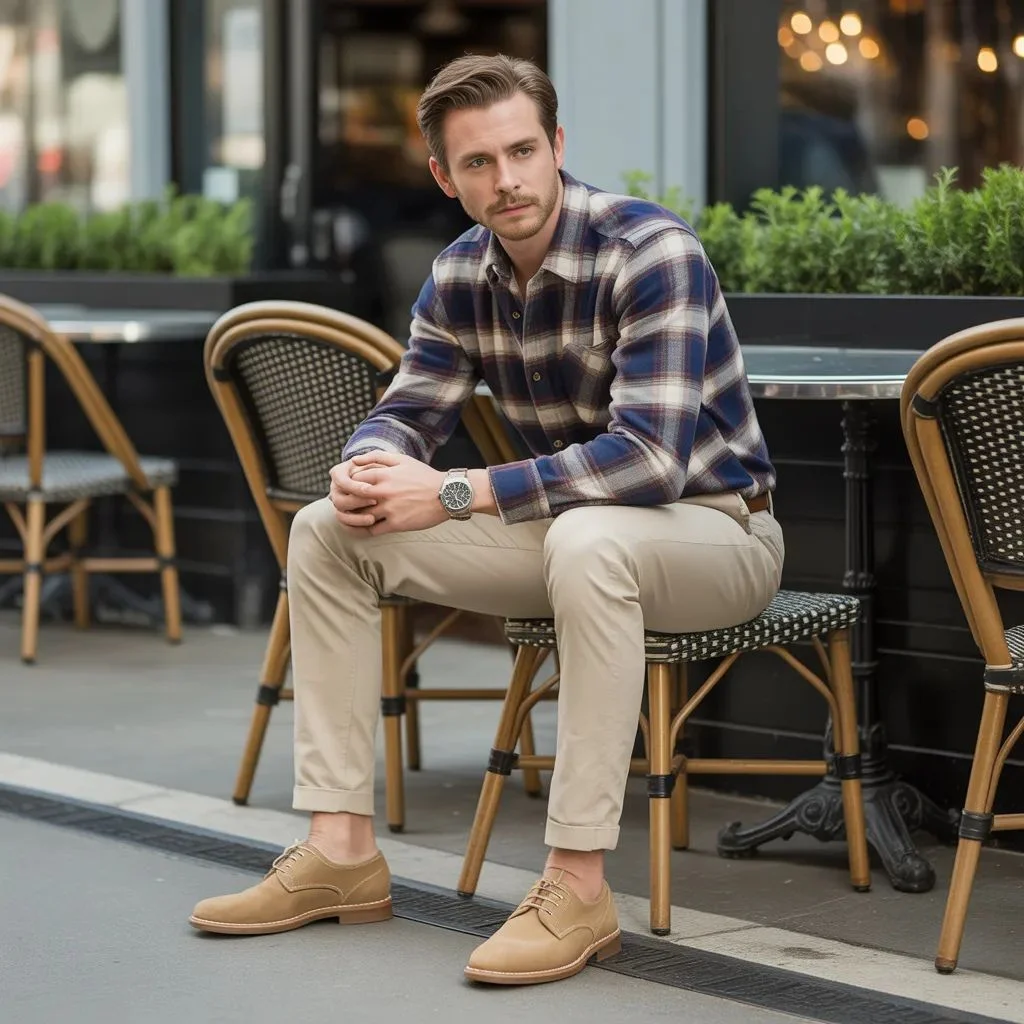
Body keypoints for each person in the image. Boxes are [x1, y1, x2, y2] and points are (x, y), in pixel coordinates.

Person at [190, 53, 783, 986]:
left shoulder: (649, 250)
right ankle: (341, 853)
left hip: (714, 530)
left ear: (556, 146)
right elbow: (410, 406)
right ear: (443, 176)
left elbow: (649, 460)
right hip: (569, 537)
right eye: (477, 163)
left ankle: (578, 885)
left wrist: (457, 490)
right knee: (326, 534)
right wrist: (367, 465)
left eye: (520, 152)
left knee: (592, 539)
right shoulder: (460, 272)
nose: (505, 181)